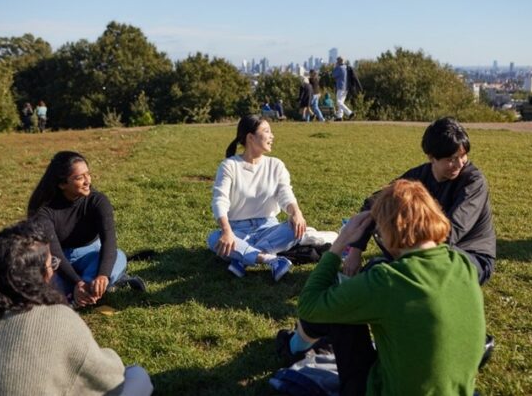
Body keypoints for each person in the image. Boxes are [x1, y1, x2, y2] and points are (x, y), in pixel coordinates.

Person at [279, 180, 485, 395]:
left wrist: (340, 243)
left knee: (341, 306)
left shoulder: (388, 280)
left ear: (388, 228)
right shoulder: (461, 264)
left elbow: (309, 304)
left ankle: (294, 347)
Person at [0, 220, 153, 395]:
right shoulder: (59, 319)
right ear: (41, 275)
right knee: (138, 376)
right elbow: (109, 378)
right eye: (52, 263)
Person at [345, 117, 495, 285]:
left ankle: (393, 270)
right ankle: (391, 271)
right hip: (425, 254)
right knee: (386, 216)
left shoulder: (473, 182)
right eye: (451, 159)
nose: (459, 164)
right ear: (432, 157)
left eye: (463, 156)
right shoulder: (418, 177)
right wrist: (356, 249)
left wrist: (408, 248)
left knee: (406, 278)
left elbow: (452, 231)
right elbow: (374, 203)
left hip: (468, 256)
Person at [28, 151, 145, 307]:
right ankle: (103, 286)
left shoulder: (98, 201)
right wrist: (77, 282)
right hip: (56, 261)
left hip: (90, 254)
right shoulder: (43, 211)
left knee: (117, 257)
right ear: (62, 184)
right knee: (40, 285)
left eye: (88, 174)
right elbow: (54, 253)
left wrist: (102, 276)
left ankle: (88, 290)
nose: (87, 181)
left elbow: (109, 242)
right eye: (79, 177)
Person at [207, 115, 307, 281]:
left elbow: (285, 193)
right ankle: (271, 260)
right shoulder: (229, 166)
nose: (272, 136)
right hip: (237, 231)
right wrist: (227, 231)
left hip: (269, 228)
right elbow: (220, 200)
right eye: (266, 131)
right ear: (250, 137)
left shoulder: (276, 165)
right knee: (214, 239)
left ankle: (243, 259)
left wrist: (296, 212)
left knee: (296, 229)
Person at [332, 57, 354, 121]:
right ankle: (339, 117)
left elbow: (333, 75)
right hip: (346, 87)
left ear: (338, 61)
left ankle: (349, 113)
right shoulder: (346, 67)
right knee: (341, 102)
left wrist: (335, 67)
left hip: (341, 87)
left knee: (338, 102)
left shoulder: (339, 68)